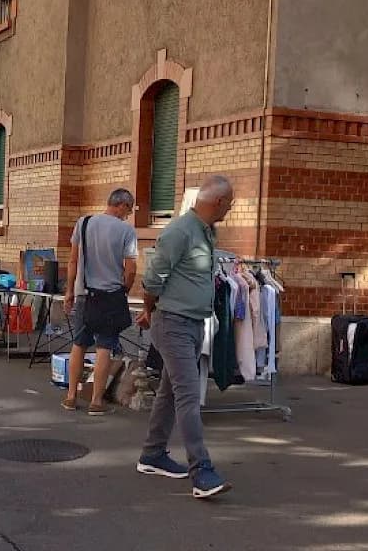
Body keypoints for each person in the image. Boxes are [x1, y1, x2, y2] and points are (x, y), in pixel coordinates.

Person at [135, 174, 234, 499]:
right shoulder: (180, 231)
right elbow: (153, 279)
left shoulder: (206, 231)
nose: (230, 209)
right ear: (218, 201)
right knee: (188, 395)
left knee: (169, 392)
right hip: (173, 324)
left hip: (192, 324)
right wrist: (149, 310)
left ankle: (152, 454)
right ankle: (201, 471)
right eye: (230, 203)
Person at [62, 189, 138, 416]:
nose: (128, 215)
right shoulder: (127, 231)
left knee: (79, 344)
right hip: (110, 296)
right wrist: (124, 290)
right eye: (129, 209)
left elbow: (73, 261)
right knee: (104, 347)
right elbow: (131, 269)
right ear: (122, 205)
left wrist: (69, 291)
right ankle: (96, 401)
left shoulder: (83, 223)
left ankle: (71, 397)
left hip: (84, 294)